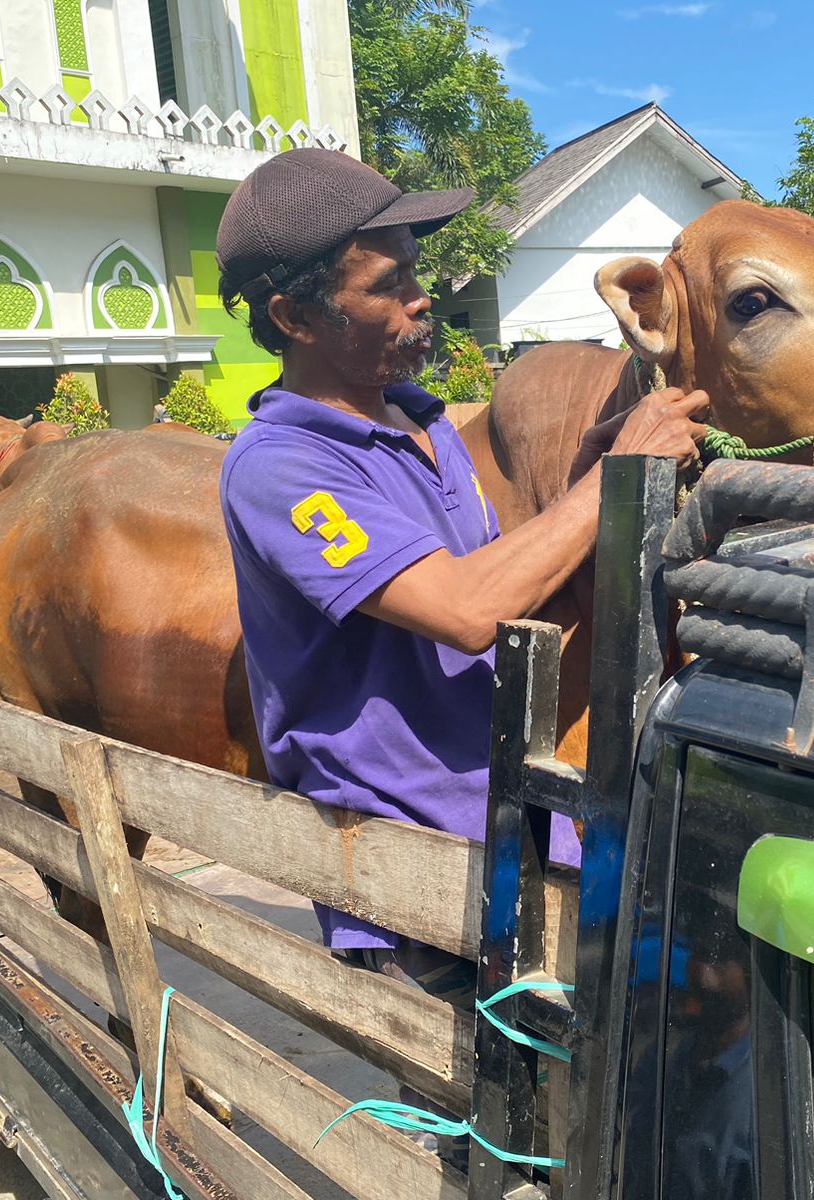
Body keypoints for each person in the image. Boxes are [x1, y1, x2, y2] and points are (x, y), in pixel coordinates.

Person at [213, 147, 705, 1068]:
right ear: (292, 316)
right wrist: (614, 481)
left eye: (417, 272)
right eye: (388, 284)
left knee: (597, 1094)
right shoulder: (282, 467)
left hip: (512, 818)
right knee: (506, 1121)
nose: (421, 297)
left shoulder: (424, 425)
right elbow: (467, 610)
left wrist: (590, 479)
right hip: (412, 862)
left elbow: (510, 600)